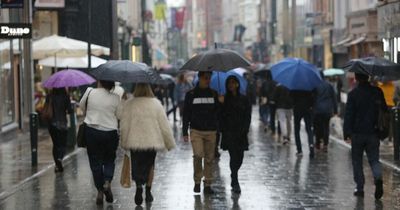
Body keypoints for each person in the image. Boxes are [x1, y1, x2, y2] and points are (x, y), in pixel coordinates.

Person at [117, 83, 175, 206]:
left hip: (135, 141)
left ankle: (139, 187)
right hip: (151, 141)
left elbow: (124, 125)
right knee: (150, 166)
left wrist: (124, 142)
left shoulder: (129, 104)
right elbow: (164, 125)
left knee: (137, 164)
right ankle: (148, 191)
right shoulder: (155, 104)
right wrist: (169, 143)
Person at [343, 73, 386, 200]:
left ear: (356, 78)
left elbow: (349, 114)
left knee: (357, 160)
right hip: (373, 132)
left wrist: (347, 133)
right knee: (374, 159)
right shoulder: (377, 92)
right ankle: (378, 177)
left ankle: (360, 188)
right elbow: (384, 110)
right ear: (368, 77)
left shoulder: (353, 94)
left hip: (357, 133)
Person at [79, 80, 121, 205]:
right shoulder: (115, 97)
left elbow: (82, 106)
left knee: (95, 161)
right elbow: (119, 115)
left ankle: (99, 191)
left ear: (100, 81)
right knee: (109, 159)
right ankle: (107, 181)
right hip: (110, 132)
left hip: (92, 130)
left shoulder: (90, 91)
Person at [182, 71, 220, 194]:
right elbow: (186, 113)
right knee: (198, 155)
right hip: (196, 130)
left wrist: (220, 102)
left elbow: (218, 113)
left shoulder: (214, 94)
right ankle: (197, 181)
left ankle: (208, 184)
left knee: (209, 158)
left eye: (209, 78)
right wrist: (184, 131)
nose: (207, 80)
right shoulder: (191, 94)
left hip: (211, 130)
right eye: (205, 78)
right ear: (199, 78)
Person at [220, 76, 251, 193]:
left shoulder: (244, 99)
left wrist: (245, 129)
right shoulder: (224, 99)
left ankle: (233, 175)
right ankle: (235, 180)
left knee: (240, 158)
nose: (231, 85)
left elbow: (248, 115)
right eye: (229, 83)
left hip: (241, 132)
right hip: (229, 132)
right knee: (233, 156)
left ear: (237, 84)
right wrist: (221, 104)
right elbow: (220, 115)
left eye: (233, 83)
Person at [45, 88, 73, 173]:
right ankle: (60, 159)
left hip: (52, 124)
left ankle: (57, 165)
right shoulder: (66, 96)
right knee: (63, 145)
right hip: (62, 124)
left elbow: (46, 107)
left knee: (56, 145)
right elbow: (70, 110)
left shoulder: (50, 96)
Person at [313, 72, 338, 152]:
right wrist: (335, 110)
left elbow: (313, 98)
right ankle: (325, 144)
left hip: (318, 110)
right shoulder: (329, 85)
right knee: (326, 127)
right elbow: (334, 98)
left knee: (318, 127)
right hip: (327, 110)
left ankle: (317, 143)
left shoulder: (315, 85)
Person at [291, 90, 315, 158]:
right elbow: (313, 98)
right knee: (309, 129)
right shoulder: (308, 87)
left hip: (297, 109)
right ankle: (311, 145)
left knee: (297, 130)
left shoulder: (295, 88)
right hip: (307, 109)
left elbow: (291, 97)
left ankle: (299, 150)